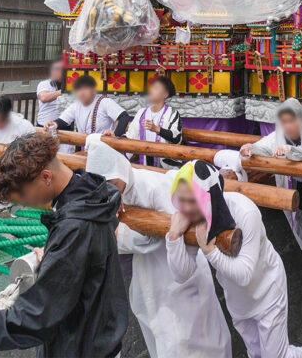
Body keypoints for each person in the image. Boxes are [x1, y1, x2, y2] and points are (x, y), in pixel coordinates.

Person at [0, 132, 128, 357]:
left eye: (22, 193)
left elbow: (39, 315)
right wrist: (53, 253)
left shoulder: (74, 228)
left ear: (46, 177)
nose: (22, 201)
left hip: (81, 346)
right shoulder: (94, 195)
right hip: (101, 332)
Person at [86, 135, 232, 358]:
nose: (109, 190)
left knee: (191, 338)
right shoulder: (118, 192)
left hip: (175, 272)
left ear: (120, 171)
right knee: (160, 336)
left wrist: (117, 234)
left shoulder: (151, 187)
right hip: (148, 273)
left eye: (112, 183)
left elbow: (159, 233)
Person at [167, 159, 302, 358]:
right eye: (180, 201)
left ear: (209, 197)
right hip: (238, 303)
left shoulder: (245, 212)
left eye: (190, 201)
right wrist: (173, 238)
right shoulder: (194, 217)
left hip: (268, 291)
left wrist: (210, 252)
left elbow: (245, 274)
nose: (185, 209)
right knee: (256, 355)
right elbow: (181, 274)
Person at [240, 98, 302, 316]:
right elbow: (261, 146)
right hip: (300, 194)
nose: (287, 126)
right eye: (283, 121)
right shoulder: (279, 136)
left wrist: (289, 151)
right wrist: (249, 148)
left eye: (291, 120)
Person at [123, 76, 182, 169]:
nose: (151, 90)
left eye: (156, 88)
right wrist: (115, 137)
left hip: (166, 166)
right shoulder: (141, 112)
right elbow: (131, 135)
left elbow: (176, 137)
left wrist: (156, 129)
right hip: (144, 163)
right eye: (152, 87)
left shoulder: (172, 113)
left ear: (165, 94)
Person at [44, 74, 129, 138]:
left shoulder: (105, 102)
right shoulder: (76, 105)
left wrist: (115, 134)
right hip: (86, 145)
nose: (82, 92)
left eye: (85, 88)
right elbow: (63, 120)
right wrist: (54, 124)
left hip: (106, 145)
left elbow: (124, 117)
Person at [36, 59, 64, 127]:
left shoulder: (71, 85)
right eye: (53, 68)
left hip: (64, 125)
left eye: (58, 69)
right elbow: (43, 98)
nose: (54, 71)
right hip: (45, 126)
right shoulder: (44, 84)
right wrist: (63, 91)